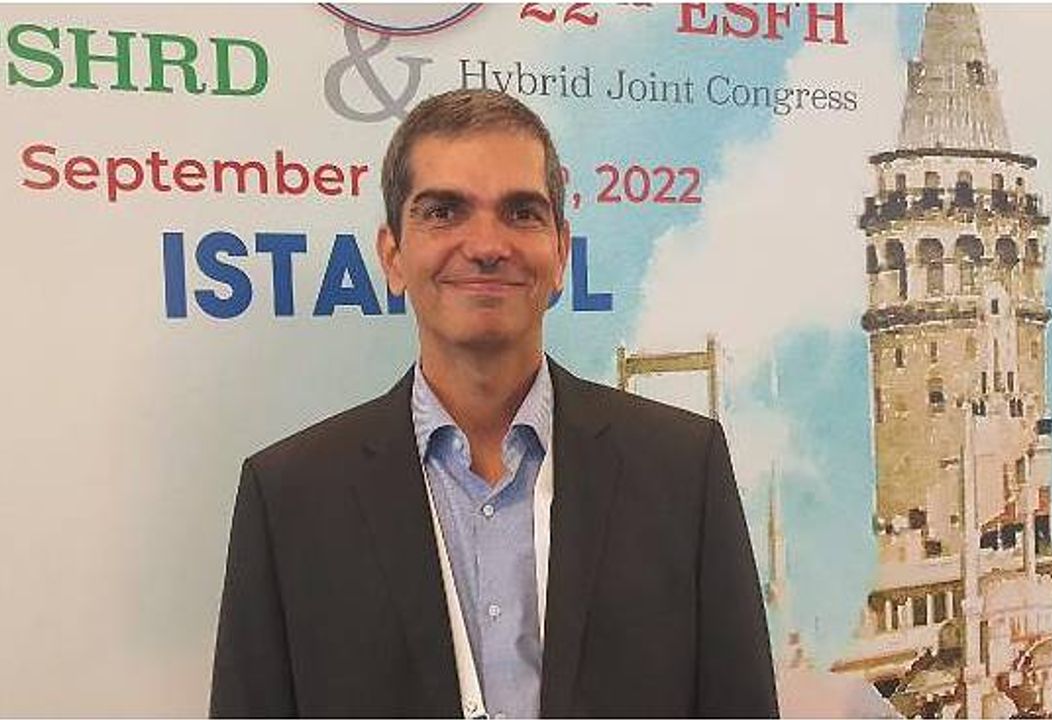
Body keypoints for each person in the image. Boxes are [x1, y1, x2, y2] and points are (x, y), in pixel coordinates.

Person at [210, 89, 777, 718]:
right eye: (444, 212)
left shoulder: (683, 470)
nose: (485, 244)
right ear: (393, 256)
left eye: (521, 213)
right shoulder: (289, 498)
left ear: (560, 254)